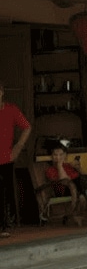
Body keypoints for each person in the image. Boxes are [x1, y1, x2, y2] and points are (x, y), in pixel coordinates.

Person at [0, 80, 31, 238]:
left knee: (5, 193)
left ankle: (4, 225)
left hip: (6, 158)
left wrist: (18, 147)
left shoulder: (11, 110)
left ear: (2, 92)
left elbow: (27, 127)